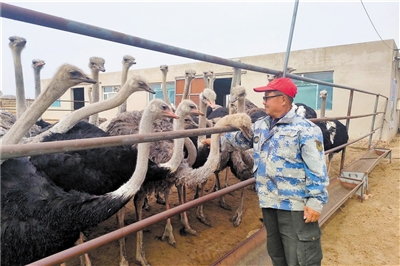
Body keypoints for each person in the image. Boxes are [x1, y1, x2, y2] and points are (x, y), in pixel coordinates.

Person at [216, 77, 329, 266]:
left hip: (295, 206)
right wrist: (214, 142)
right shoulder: (260, 125)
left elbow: (317, 168)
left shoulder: (307, 129)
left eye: (268, 97)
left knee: (301, 257)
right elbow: (242, 140)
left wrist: (315, 202)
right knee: (277, 254)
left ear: (283, 99)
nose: (263, 101)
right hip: (269, 201)